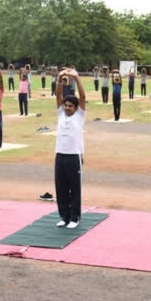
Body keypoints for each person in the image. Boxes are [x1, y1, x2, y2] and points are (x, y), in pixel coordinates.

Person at [54, 68, 86, 229]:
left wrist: (76, 77)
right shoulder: (60, 114)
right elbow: (58, 95)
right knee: (61, 188)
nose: (67, 107)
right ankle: (64, 217)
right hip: (60, 155)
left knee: (74, 188)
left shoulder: (79, 116)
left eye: (70, 106)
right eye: (65, 105)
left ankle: (74, 218)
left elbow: (83, 96)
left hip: (74, 156)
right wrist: (60, 77)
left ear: (75, 107)